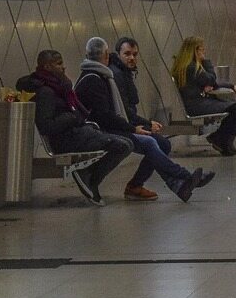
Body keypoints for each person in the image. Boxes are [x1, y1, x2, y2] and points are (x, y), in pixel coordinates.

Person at [75, 38, 208, 202]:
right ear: (109, 55)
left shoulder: (106, 75)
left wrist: (140, 125)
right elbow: (109, 115)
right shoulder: (106, 77)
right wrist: (136, 127)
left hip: (108, 126)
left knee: (159, 143)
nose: (131, 58)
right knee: (149, 143)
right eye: (127, 54)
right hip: (102, 130)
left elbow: (115, 113)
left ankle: (173, 184)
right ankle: (182, 177)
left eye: (134, 54)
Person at [17, 49, 133, 206]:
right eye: (59, 64)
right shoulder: (46, 92)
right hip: (66, 140)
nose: (63, 67)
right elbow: (46, 126)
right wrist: (71, 117)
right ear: (47, 67)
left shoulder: (59, 86)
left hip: (77, 133)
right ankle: (89, 177)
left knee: (127, 144)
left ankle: (90, 178)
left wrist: (75, 118)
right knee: (122, 146)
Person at [172, 36, 236, 155]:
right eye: (202, 49)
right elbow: (211, 79)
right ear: (195, 50)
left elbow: (212, 83)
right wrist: (206, 62)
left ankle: (223, 141)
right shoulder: (192, 67)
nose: (204, 51)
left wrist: (230, 85)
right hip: (198, 105)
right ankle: (219, 138)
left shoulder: (185, 67)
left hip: (197, 103)